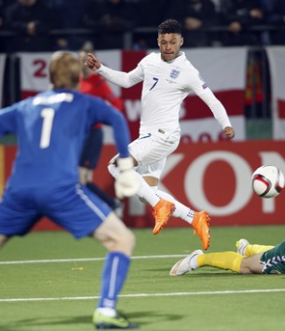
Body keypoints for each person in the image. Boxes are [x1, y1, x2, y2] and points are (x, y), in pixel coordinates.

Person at [0, 51, 140, 329]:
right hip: (60, 190)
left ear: (49, 77)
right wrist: (125, 166)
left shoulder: (27, 105)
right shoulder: (84, 102)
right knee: (122, 240)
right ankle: (106, 312)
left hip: (19, 193)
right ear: (77, 77)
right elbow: (118, 118)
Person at [85, 18, 235, 251]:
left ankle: (161, 206)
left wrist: (225, 124)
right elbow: (126, 81)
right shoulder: (149, 61)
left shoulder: (188, 71)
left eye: (172, 42)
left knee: (115, 167)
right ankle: (195, 218)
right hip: (150, 136)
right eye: (163, 42)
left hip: (163, 135)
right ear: (158, 41)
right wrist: (100, 69)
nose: (167, 46)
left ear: (181, 42)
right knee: (147, 192)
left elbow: (211, 100)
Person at [78, 45, 125, 218]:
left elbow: (117, 106)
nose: (82, 62)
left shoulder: (98, 82)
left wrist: (99, 116)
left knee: (82, 180)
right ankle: (109, 206)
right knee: (79, 181)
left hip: (93, 135)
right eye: (80, 59)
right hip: (78, 136)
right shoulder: (76, 81)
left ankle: (111, 205)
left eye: (85, 59)